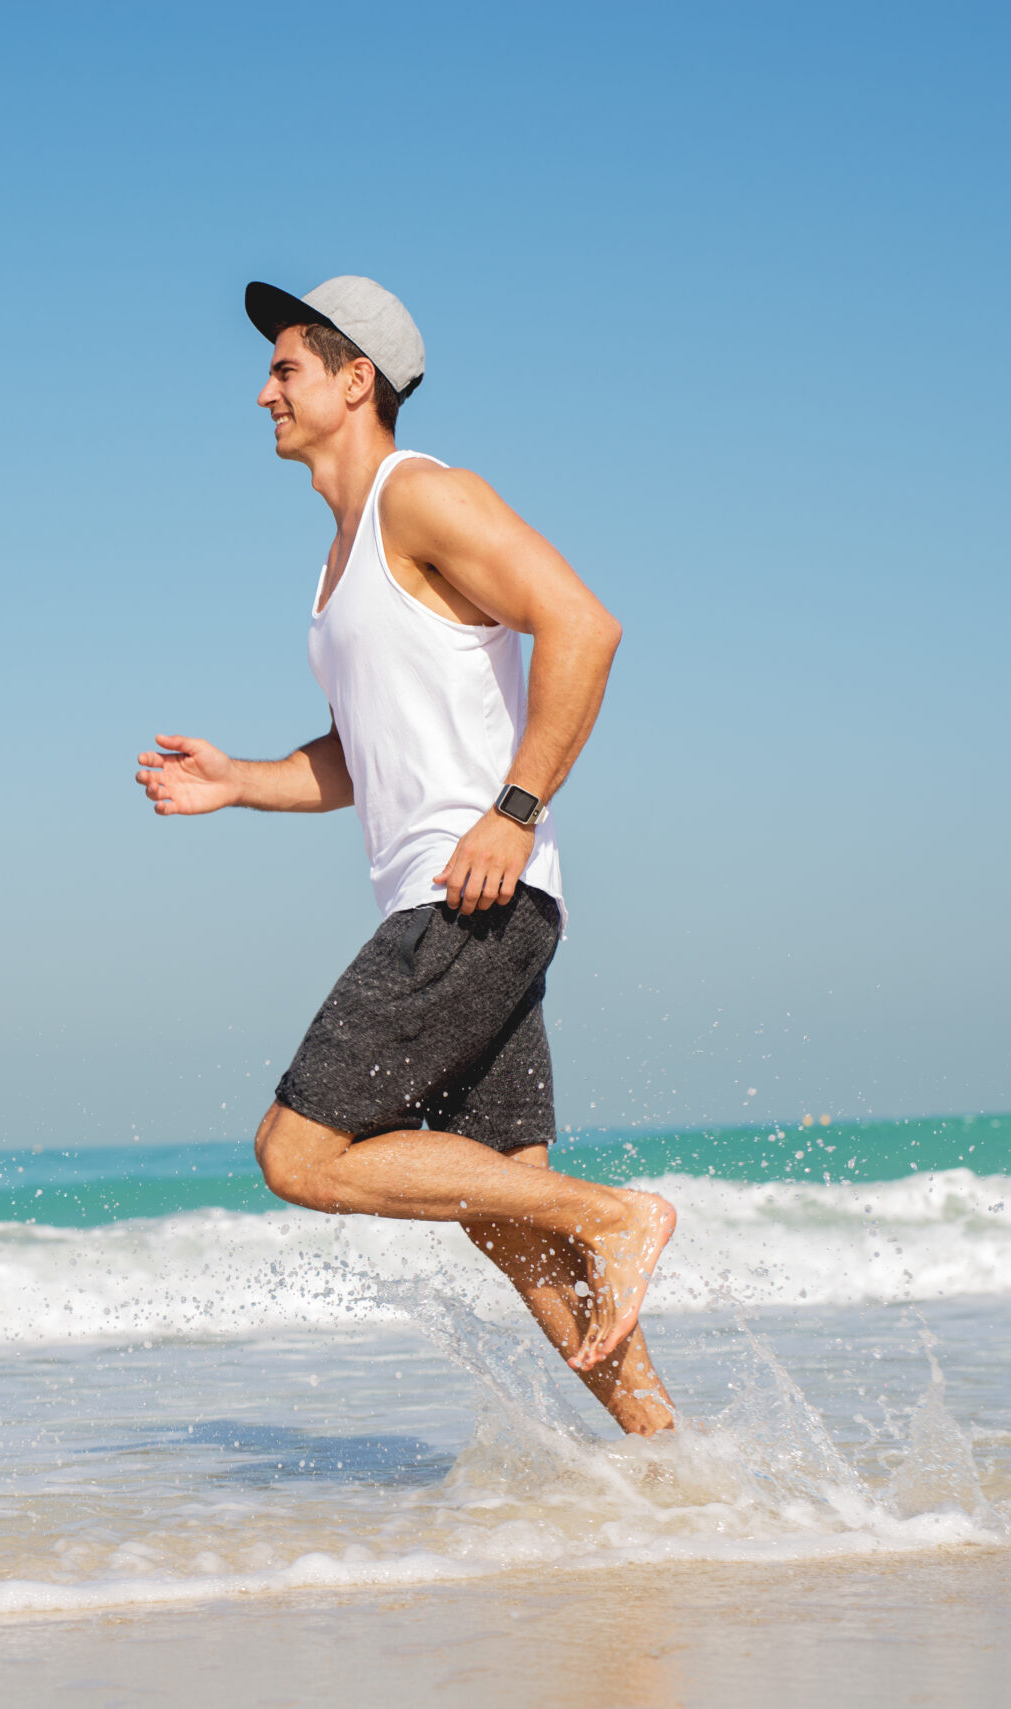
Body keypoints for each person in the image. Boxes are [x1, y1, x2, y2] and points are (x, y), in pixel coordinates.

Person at [136, 276, 678, 1434]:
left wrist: (515, 806)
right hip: (475, 896)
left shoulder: (418, 496)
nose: (263, 390)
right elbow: (354, 763)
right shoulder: (339, 566)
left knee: (297, 1153)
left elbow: (584, 623)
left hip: (469, 893)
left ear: (353, 380)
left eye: (284, 368)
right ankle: (672, 1465)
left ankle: (619, 1213)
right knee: (510, 1218)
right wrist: (237, 779)